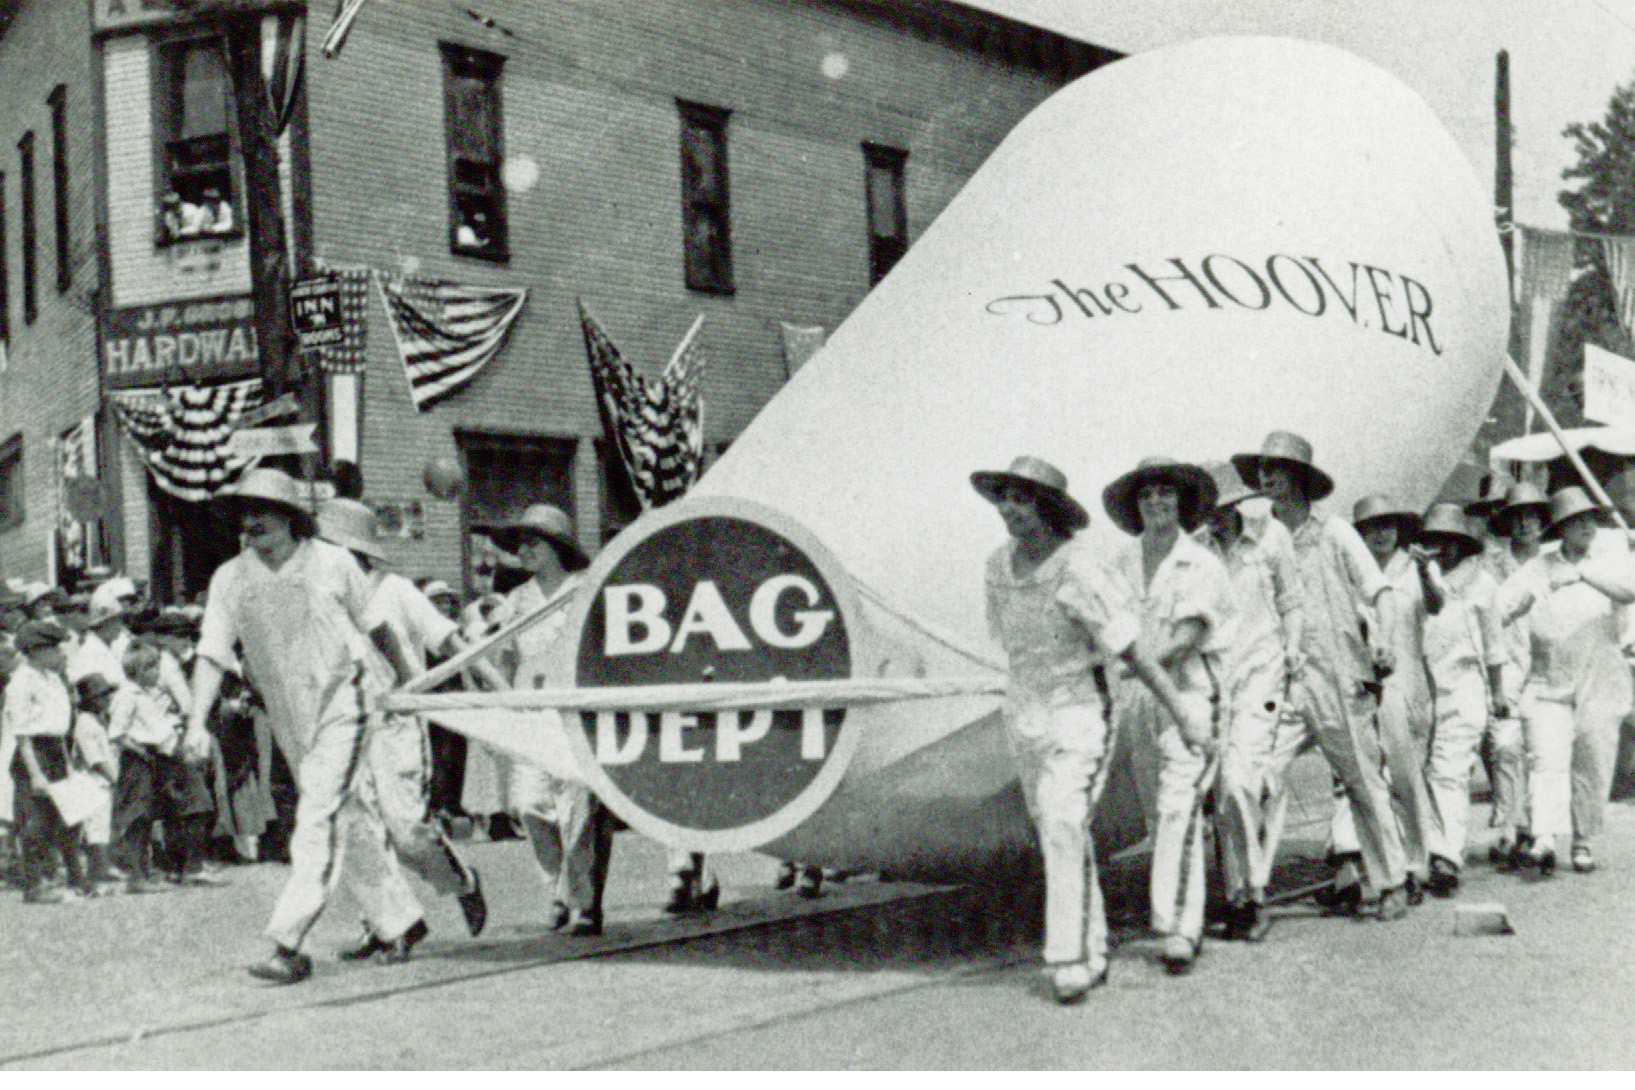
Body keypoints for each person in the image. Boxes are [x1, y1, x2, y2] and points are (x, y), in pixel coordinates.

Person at [974, 455, 1205, 1003]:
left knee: (1062, 820)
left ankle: (1072, 957)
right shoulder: (996, 566)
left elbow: (1133, 651)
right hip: (1024, 713)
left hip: (1081, 709)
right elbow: (1007, 645)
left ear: (1048, 508)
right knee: (1060, 830)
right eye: (1004, 498)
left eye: (1023, 499)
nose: (1010, 509)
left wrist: (1183, 714)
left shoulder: (1080, 567)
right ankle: (1091, 943)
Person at [187, 469, 426, 984]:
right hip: (288, 712)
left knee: (317, 813)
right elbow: (212, 651)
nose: (254, 529)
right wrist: (194, 722)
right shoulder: (230, 578)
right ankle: (401, 921)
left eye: (265, 518)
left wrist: (409, 682)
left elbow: (376, 626)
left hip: (345, 699)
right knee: (347, 816)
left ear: (292, 520)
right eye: (246, 520)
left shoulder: (334, 562)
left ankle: (289, 943)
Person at [1231, 431, 1410, 919]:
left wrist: (1385, 640)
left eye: (1278, 468)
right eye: (1263, 468)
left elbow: (1381, 591)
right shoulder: (1257, 536)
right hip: (1279, 680)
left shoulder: (1334, 533)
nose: (1267, 476)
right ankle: (1249, 894)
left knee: (1362, 780)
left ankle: (1391, 881)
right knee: (1255, 778)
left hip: (1337, 677)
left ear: (1300, 477)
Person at [315, 499, 489, 956]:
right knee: (360, 831)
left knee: (405, 829)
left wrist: (495, 685)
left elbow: (449, 640)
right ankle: (385, 925)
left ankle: (462, 880)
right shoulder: (321, 596)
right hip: (347, 725)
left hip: (396, 725)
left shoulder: (395, 590)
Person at [1102, 455, 1232, 974]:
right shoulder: (1119, 563)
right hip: (1139, 703)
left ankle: (1180, 927)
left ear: (1183, 501)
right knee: (1159, 813)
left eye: (1166, 492)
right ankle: (1178, 913)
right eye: (1146, 494)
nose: (1156, 501)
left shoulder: (1202, 564)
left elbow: (1186, 638)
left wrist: (1133, 664)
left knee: (1180, 806)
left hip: (1190, 697)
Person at [480, 504, 614, 935]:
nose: (522, 551)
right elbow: (501, 656)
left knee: (578, 809)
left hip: (574, 714)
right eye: (519, 544)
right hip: (530, 714)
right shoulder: (517, 600)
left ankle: (585, 904)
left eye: (532, 543)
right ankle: (560, 888)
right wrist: (502, 705)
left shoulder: (585, 591)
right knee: (529, 806)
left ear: (557, 547)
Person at [1499, 486, 1635, 876]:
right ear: (1559, 528)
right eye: (1576, 521)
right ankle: (1543, 838)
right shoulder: (1538, 566)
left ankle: (1582, 840)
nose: (1586, 527)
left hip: (1601, 675)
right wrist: (1525, 601)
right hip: (1549, 676)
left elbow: (1630, 591)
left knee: (1593, 759)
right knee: (1546, 757)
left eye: (1590, 519)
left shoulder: (1611, 559)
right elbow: (1501, 610)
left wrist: (1581, 574)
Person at [1196, 461, 1301, 942]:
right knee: (1222, 789)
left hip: (1264, 673)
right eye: (1207, 510)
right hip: (1216, 679)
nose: (1215, 518)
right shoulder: (1197, 550)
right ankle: (1237, 895)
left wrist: (1293, 649)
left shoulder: (1271, 537)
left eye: (1222, 508)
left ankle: (1253, 893)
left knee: (1243, 781)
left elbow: (1291, 601)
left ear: (1238, 505)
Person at [1349, 494, 1436, 902]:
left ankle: (1418, 862)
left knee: (1405, 773)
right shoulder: (1353, 572)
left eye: (1387, 524)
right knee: (1365, 776)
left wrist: (1424, 571)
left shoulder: (1414, 565)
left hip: (1406, 678)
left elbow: (1436, 605)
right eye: (1371, 527)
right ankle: (1381, 865)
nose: (1380, 533)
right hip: (1361, 681)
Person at [1414, 503, 1504, 896]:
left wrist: (1498, 692)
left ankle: (1447, 856)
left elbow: (1495, 645)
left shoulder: (1481, 584)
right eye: (1434, 540)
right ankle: (1424, 850)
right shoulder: (1415, 579)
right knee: (1418, 773)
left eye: (1450, 541)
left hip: (1464, 686)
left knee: (1450, 770)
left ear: (1463, 544)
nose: (1442, 548)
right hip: (1421, 686)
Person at [110, 640, 221, 889]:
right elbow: (117, 733)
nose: (157, 673)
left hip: (165, 756)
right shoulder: (127, 695)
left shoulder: (149, 695)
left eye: (157, 666)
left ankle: (187, 868)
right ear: (137, 671)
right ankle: (137, 877)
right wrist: (142, 751)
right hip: (140, 759)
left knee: (187, 807)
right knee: (138, 817)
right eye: (151, 668)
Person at [1478, 481, 1548, 868]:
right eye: (1516, 517)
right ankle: (1510, 826)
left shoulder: (1553, 561)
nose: (1524, 524)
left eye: (1531, 516)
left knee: (1539, 748)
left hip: (1548, 666)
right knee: (1503, 744)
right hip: (1505, 660)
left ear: (1543, 521)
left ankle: (1536, 827)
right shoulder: (1490, 565)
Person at [5, 621, 90, 903]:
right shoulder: (21, 682)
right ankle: (35, 884)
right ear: (35, 651)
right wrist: (36, 773)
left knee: (67, 816)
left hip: (56, 750)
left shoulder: (53, 679)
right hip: (34, 752)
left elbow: (60, 726)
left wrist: (67, 761)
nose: (59, 654)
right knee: (36, 821)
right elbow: (21, 733)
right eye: (53, 649)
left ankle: (74, 879)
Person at [71, 672, 124, 894]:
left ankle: (102, 870)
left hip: (101, 782)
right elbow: (94, 760)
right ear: (90, 700)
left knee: (103, 826)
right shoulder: (85, 723)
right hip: (91, 782)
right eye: (101, 696)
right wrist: (114, 778)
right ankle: (97, 873)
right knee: (95, 827)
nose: (107, 699)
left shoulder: (97, 721)